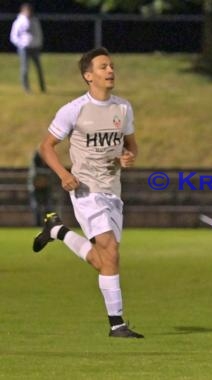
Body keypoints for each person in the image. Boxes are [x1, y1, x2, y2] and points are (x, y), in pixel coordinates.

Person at [32, 47, 143, 338]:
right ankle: (117, 324)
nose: (110, 71)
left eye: (112, 66)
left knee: (102, 259)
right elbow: (46, 147)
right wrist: (64, 174)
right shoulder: (74, 109)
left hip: (112, 191)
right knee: (112, 251)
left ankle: (57, 230)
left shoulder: (123, 108)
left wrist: (128, 157)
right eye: (103, 66)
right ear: (88, 75)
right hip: (86, 190)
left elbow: (131, 147)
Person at [10, 3, 46, 93]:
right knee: (25, 68)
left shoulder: (35, 21)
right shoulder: (19, 22)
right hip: (24, 48)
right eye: (27, 11)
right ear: (23, 11)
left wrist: (39, 43)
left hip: (34, 47)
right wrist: (21, 44)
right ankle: (26, 88)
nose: (29, 13)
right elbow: (13, 36)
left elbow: (39, 33)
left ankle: (42, 87)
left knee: (38, 68)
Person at [27, 149, 57, 226]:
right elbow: (34, 175)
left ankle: (48, 222)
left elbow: (52, 172)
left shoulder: (48, 163)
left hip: (46, 187)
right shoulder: (35, 163)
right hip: (35, 187)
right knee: (36, 205)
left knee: (48, 205)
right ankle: (37, 223)